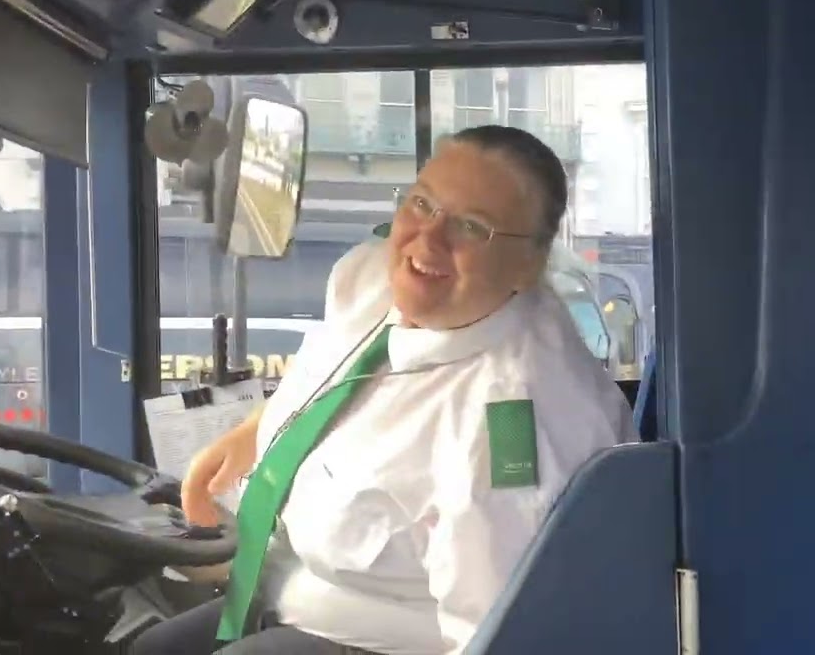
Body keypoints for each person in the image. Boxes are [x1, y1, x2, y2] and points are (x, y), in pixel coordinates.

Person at [130, 125, 638, 655]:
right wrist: (256, 435)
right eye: (423, 203)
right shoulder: (374, 279)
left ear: (527, 264)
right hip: (284, 581)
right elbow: (332, 375)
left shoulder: (509, 425)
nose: (427, 239)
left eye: (471, 226)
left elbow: (498, 633)